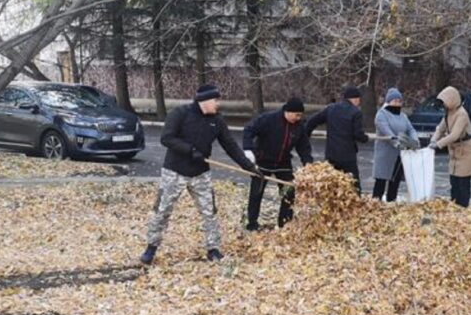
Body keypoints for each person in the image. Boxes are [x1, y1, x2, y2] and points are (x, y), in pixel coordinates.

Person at [140, 84, 258, 264]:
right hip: (174, 171)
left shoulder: (217, 121)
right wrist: (190, 150)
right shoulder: (179, 114)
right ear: (205, 101)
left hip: (200, 174)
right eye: (216, 100)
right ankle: (151, 248)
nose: (218, 104)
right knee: (162, 211)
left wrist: (249, 167)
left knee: (209, 212)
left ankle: (214, 249)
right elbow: (166, 138)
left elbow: (231, 146)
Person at [242, 97, 313, 231]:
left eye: (300, 115)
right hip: (263, 162)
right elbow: (249, 130)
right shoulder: (269, 119)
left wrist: (308, 162)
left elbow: (304, 147)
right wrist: (248, 149)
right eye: (297, 115)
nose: (298, 118)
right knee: (256, 193)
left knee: (288, 193)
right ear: (288, 111)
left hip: (283, 163)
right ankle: (252, 223)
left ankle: (284, 223)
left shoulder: (299, 126)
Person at [305, 85, 369, 192]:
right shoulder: (356, 112)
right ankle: (355, 206)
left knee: (331, 184)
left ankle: (331, 207)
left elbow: (312, 121)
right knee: (353, 185)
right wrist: (365, 138)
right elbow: (358, 134)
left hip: (331, 154)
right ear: (356, 99)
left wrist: (306, 135)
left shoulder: (331, 108)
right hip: (348, 156)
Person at [428, 86, 471, 207]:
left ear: (451, 100)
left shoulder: (462, 114)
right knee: (454, 183)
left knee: (463, 184)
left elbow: (455, 135)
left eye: (444, 102)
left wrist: (438, 144)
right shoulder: (448, 113)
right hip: (455, 153)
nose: (443, 105)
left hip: (465, 152)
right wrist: (433, 140)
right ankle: (455, 208)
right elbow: (440, 129)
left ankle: (463, 209)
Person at [372, 87, 419, 202]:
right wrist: (397, 143)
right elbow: (386, 131)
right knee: (381, 182)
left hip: (399, 154)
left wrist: (414, 141)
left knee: (395, 182)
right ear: (388, 101)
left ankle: (391, 203)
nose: (397, 103)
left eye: (399, 101)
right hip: (385, 154)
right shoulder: (381, 115)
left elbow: (411, 129)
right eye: (395, 101)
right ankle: (375, 205)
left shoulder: (403, 116)